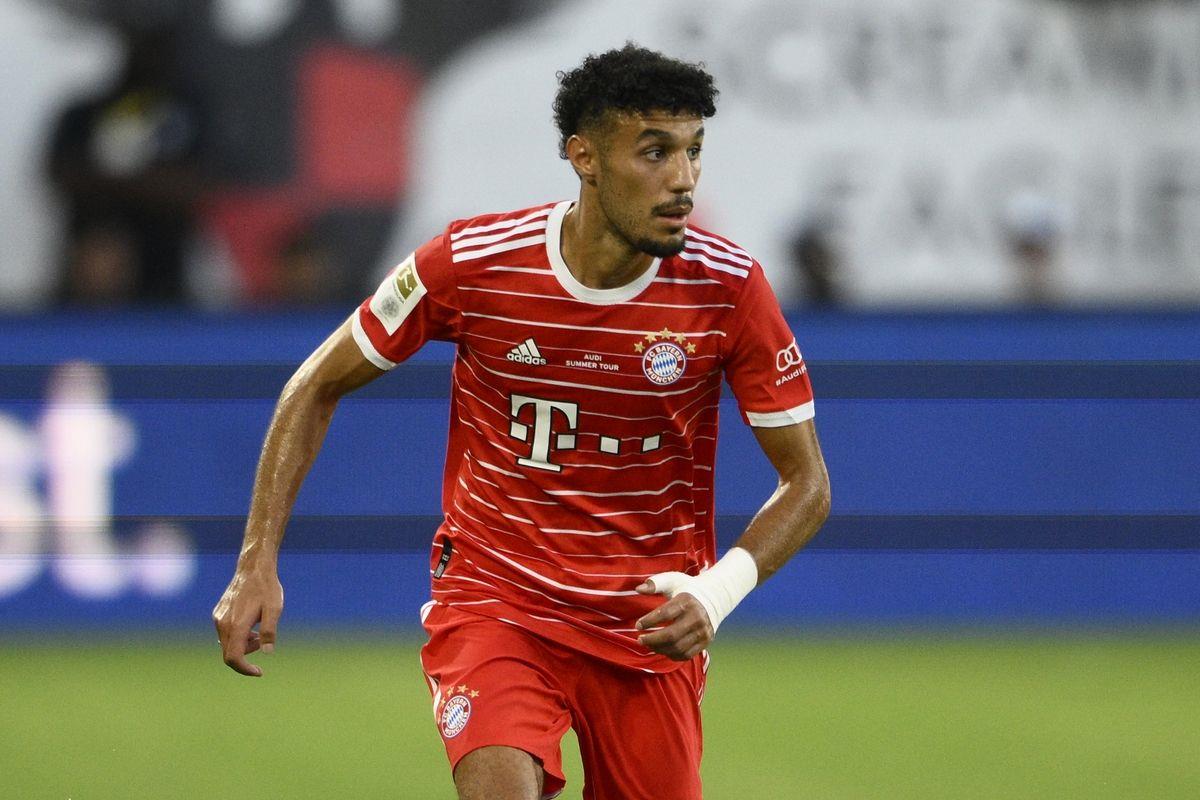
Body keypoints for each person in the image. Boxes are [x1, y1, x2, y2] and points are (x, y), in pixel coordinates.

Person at [213, 44, 831, 800]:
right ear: (584, 156)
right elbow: (314, 385)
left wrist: (715, 593)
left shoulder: (727, 289)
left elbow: (807, 483)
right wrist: (256, 561)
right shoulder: (473, 262)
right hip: (498, 601)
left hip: (646, 623)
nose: (683, 179)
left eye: (693, 150)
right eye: (655, 152)